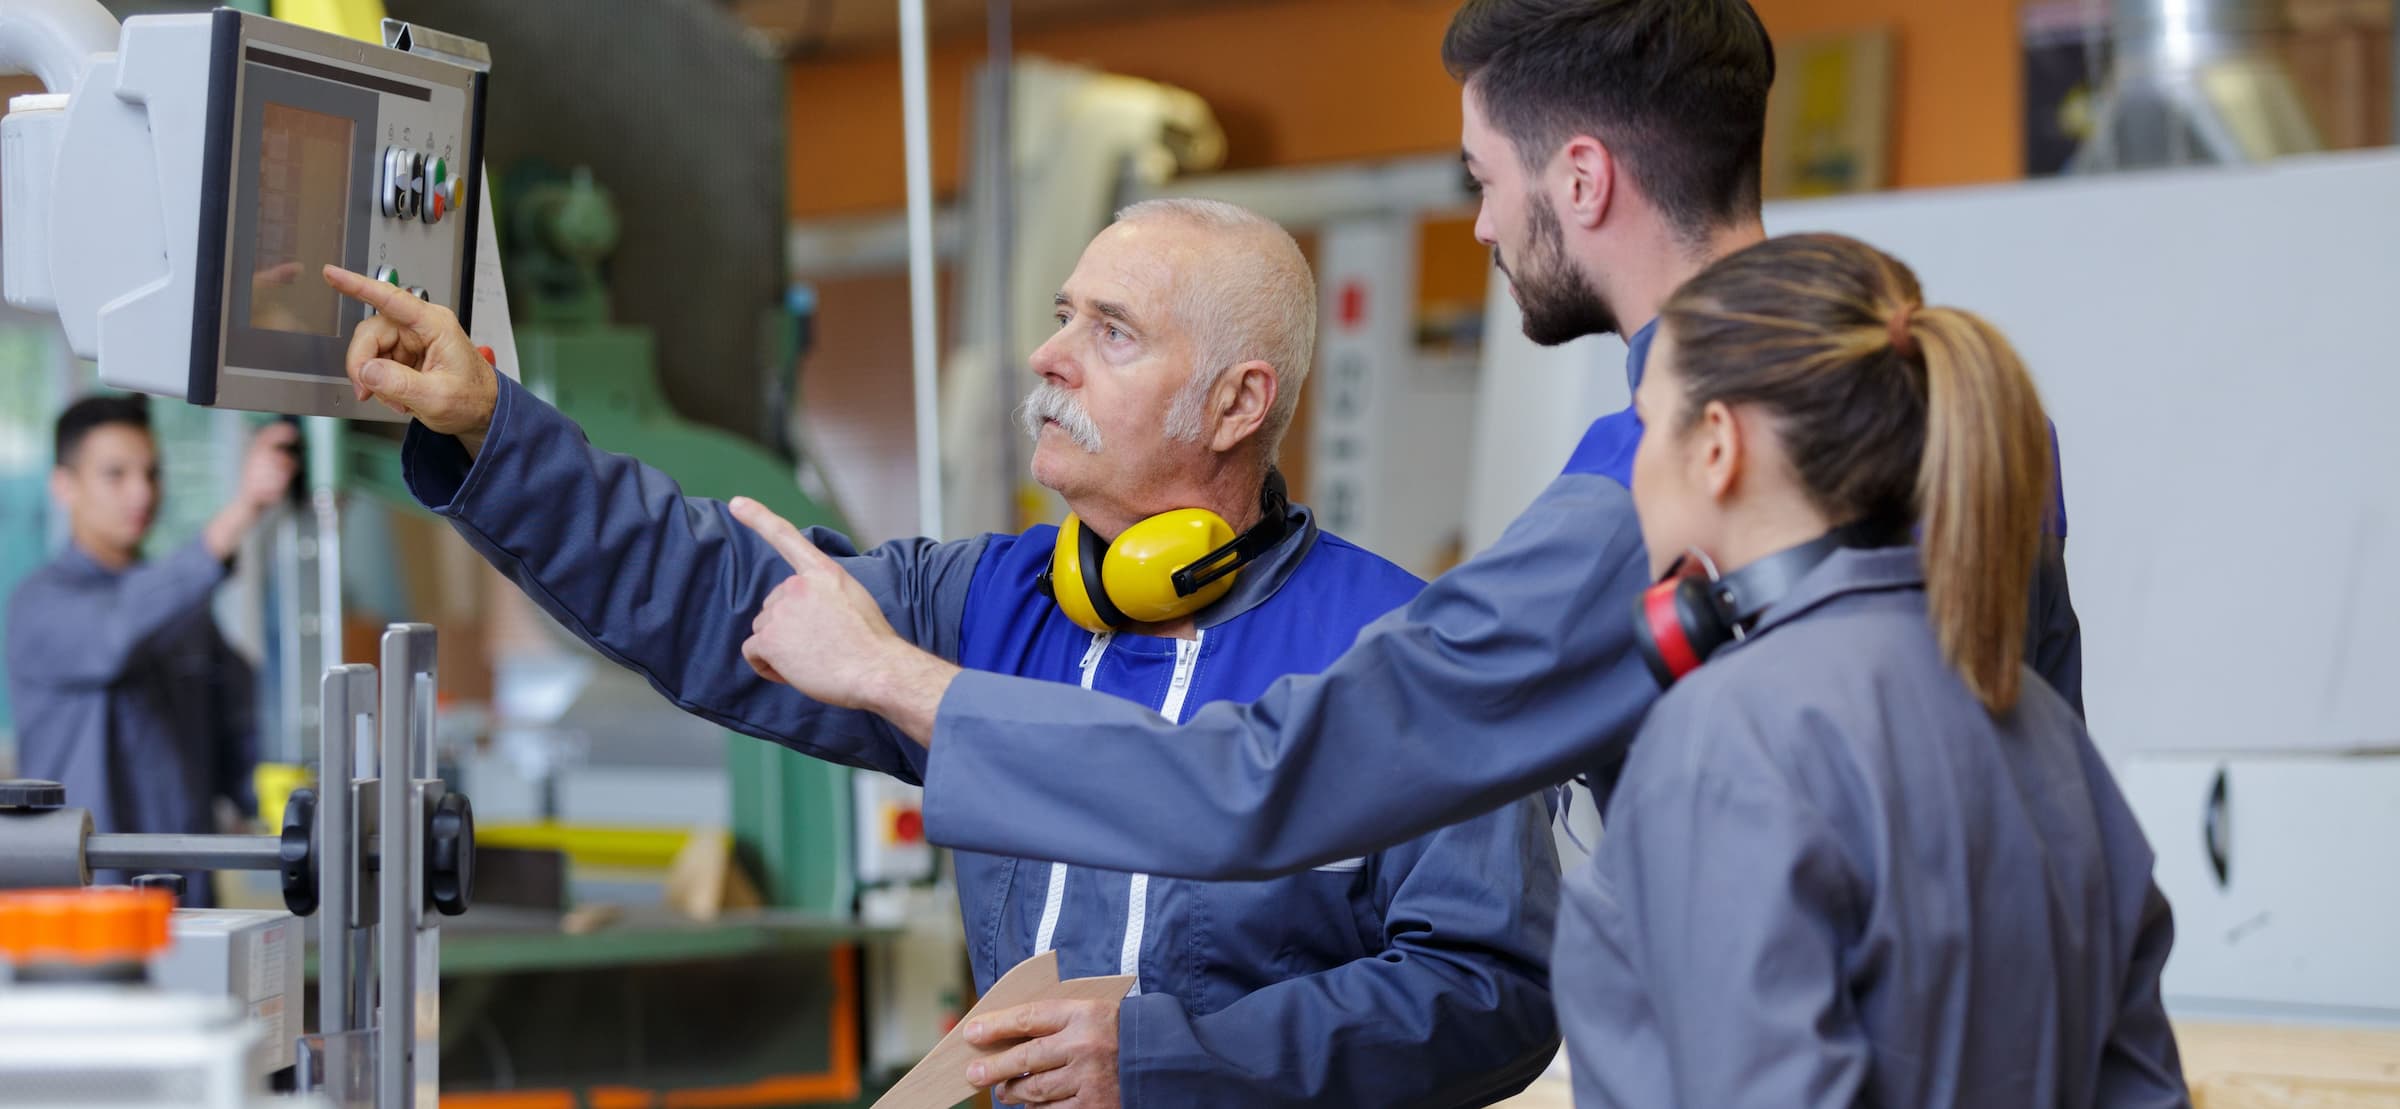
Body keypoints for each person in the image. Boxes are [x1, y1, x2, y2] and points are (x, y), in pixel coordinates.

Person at [710, 0, 2087, 884]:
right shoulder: (1960, 400)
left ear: (1585, 179)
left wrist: (901, 681)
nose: (1483, 226)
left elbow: (1260, 784)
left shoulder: (1644, 504)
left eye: (1483, 180)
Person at [322, 199, 1563, 1109]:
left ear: (1238, 406)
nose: (1048, 354)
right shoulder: (992, 599)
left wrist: (1175, 1056)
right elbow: (708, 592)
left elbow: (1489, 993)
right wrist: (491, 428)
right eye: (1065, 312)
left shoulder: (1401, 653)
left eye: (1113, 333)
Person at [1564, 232, 2181, 1105]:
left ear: (1716, 445)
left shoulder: (1725, 736)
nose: (1634, 470)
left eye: (1648, 423)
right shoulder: (2048, 734)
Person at [5, 397, 297, 906]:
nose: (141, 493)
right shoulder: (39, 606)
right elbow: (115, 637)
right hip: (82, 916)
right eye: (115, 475)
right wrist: (242, 511)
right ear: (64, 485)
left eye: (152, 473)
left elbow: (241, 746)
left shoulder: (184, 611)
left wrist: (310, 807)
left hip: (189, 908)